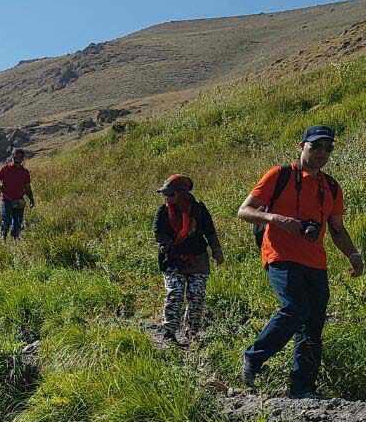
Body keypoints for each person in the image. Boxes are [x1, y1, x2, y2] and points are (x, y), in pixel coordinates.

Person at [237, 126, 363, 398]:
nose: (322, 153)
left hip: (315, 262)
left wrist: (353, 254)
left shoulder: (331, 186)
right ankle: (253, 358)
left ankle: (302, 388)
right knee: (295, 308)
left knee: (313, 323)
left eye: (328, 148)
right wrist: (276, 219)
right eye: (316, 146)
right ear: (302, 145)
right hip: (280, 255)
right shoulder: (280, 175)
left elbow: (337, 230)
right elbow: (244, 210)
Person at [154, 175, 224, 344]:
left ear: (182, 194)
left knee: (196, 295)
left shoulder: (198, 210)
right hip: (172, 260)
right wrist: (168, 245)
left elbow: (210, 231)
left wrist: (216, 251)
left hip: (197, 260)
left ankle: (192, 333)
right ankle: (169, 333)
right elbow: (158, 233)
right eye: (166, 194)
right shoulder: (163, 211)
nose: (167, 198)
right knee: (175, 293)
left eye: (171, 194)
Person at [0, 148, 35, 240]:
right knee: (7, 220)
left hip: (19, 200)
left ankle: (14, 240)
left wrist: (31, 200)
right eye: (16, 157)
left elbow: (28, 188)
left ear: (22, 159)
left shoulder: (25, 172)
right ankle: (2, 238)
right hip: (6, 199)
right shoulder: (5, 169)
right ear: (12, 157)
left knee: (17, 222)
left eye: (20, 157)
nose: (18, 159)